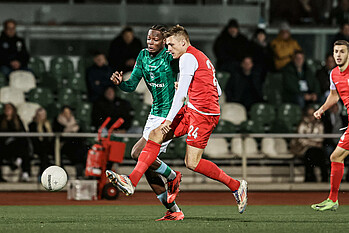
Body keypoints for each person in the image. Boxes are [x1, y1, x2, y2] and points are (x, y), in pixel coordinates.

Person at [107, 25, 248, 214]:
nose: (169, 49)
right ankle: (132, 181)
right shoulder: (197, 57)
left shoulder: (187, 58)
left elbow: (180, 94)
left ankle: (236, 185)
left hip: (203, 116)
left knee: (192, 163)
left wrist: (169, 119)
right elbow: (218, 90)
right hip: (192, 110)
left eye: (171, 45)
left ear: (183, 42)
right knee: (154, 136)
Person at [107, 25, 184, 221]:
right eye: (149, 38)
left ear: (163, 41)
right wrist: (120, 84)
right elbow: (131, 85)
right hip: (154, 113)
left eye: (155, 39)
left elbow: (185, 69)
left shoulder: (170, 57)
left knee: (139, 154)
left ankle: (172, 176)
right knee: (145, 162)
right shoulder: (142, 56)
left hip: (169, 115)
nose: (150, 42)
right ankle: (174, 209)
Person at [311, 40, 349, 211]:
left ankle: (333, 199)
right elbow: (334, 96)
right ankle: (333, 200)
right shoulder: (333, 74)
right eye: (336, 52)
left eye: (342, 51)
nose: (338, 55)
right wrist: (321, 109)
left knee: (336, 157)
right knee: (336, 157)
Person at [290, 106, 327, 182]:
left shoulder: (319, 124)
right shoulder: (302, 124)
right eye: (310, 115)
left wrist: (309, 140)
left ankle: (324, 178)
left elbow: (320, 138)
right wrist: (314, 142)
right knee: (310, 154)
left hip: (317, 149)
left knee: (321, 155)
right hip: (304, 149)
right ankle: (310, 178)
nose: (312, 117)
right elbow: (301, 140)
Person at [53, 106, 87, 179]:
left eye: (68, 113)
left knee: (82, 152)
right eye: (65, 113)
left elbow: (82, 136)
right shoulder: (57, 122)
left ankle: (80, 173)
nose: (67, 115)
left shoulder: (75, 122)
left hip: (76, 145)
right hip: (65, 146)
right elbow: (58, 134)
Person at [0, 103, 31, 182]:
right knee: (21, 145)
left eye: (9, 109)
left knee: (23, 143)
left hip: (17, 146)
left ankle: (24, 170)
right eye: (6, 109)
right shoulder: (1, 120)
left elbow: (23, 133)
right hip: (4, 146)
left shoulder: (17, 120)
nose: (7, 110)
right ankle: (19, 161)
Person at [28, 108, 53, 178]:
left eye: (43, 115)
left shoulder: (48, 125)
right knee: (44, 154)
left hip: (48, 146)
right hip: (37, 147)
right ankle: (43, 174)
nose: (41, 117)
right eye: (40, 115)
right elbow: (34, 139)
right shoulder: (32, 125)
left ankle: (62, 172)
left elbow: (50, 138)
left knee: (56, 152)